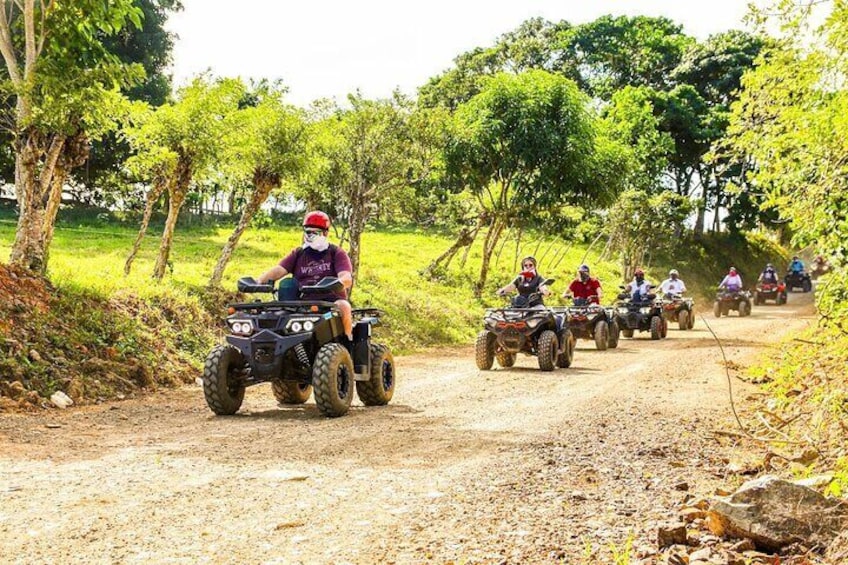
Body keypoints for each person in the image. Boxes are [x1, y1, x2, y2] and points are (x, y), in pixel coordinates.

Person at [256, 211, 354, 340]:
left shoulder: (336, 253)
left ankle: (348, 340)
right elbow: (279, 270)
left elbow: (346, 277)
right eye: (308, 232)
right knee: (274, 306)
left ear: (325, 233)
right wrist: (258, 281)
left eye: (315, 233)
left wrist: (339, 283)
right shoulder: (299, 253)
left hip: (330, 301)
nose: (310, 236)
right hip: (301, 302)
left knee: (344, 306)